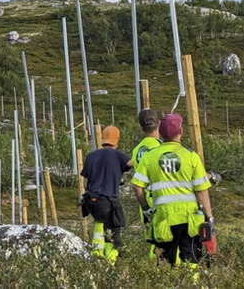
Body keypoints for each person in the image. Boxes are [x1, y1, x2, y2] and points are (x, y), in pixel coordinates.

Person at [131, 113, 213, 267]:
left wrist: (146, 209)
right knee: (191, 257)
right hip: (189, 218)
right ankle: (192, 284)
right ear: (180, 131)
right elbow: (202, 191)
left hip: (163, 217)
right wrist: (209, 217)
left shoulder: (149, 157)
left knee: (165, 260)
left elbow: (137, 186)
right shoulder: (191, 156)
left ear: (160, 131)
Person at [81, 125, 133, 264]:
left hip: (91, 202)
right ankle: (111, 262)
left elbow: (85, 184)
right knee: (114, 233)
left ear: (102, 139)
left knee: (100, 224)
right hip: (108, 201)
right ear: (117, 140)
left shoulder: (91, 156)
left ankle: (97, 256)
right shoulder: (118, 155)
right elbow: (133, 163)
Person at [132, 108, 162, 258]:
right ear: (159, 124)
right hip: (160, 198)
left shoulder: (137, 149)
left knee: (152, 239)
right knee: (164, 239)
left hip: (144, 199)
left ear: (140, 127)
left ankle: (153, 272)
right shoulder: (160, 147)